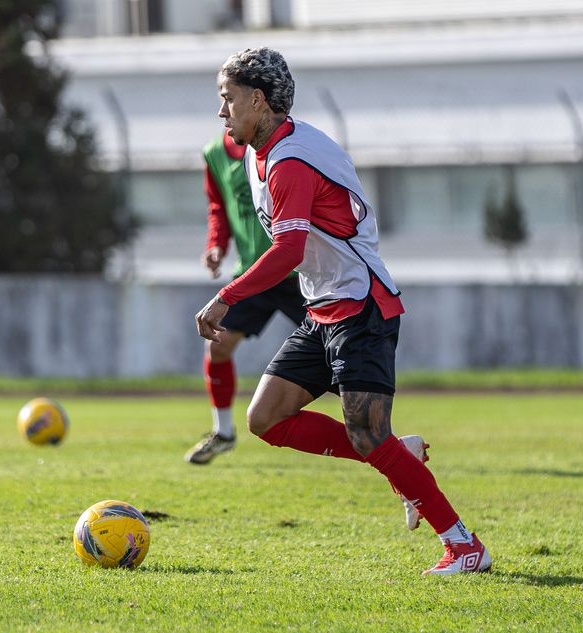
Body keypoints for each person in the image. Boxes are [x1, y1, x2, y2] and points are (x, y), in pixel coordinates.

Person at [194, 47, 492, 575]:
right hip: (323, 309)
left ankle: (464, 545)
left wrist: (226, 296)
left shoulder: (289, 160)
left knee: (367, 435)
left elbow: (287, 251)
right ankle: (401, 454)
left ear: (257, 102)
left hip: (362, 309)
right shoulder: (263, 152)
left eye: (228, 99)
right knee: (266, 418)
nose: (222, 111)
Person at [184, 130, 306, 465]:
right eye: (223, 99)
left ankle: (376, 434)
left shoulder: (277, 148)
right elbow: (218, 207)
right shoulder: (214, 153)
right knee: (218, 345)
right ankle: (223, 432)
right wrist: (216, 245)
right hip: (253, 275)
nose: (225, 108)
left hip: (297, 272)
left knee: (337, 352)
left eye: (230, 98)